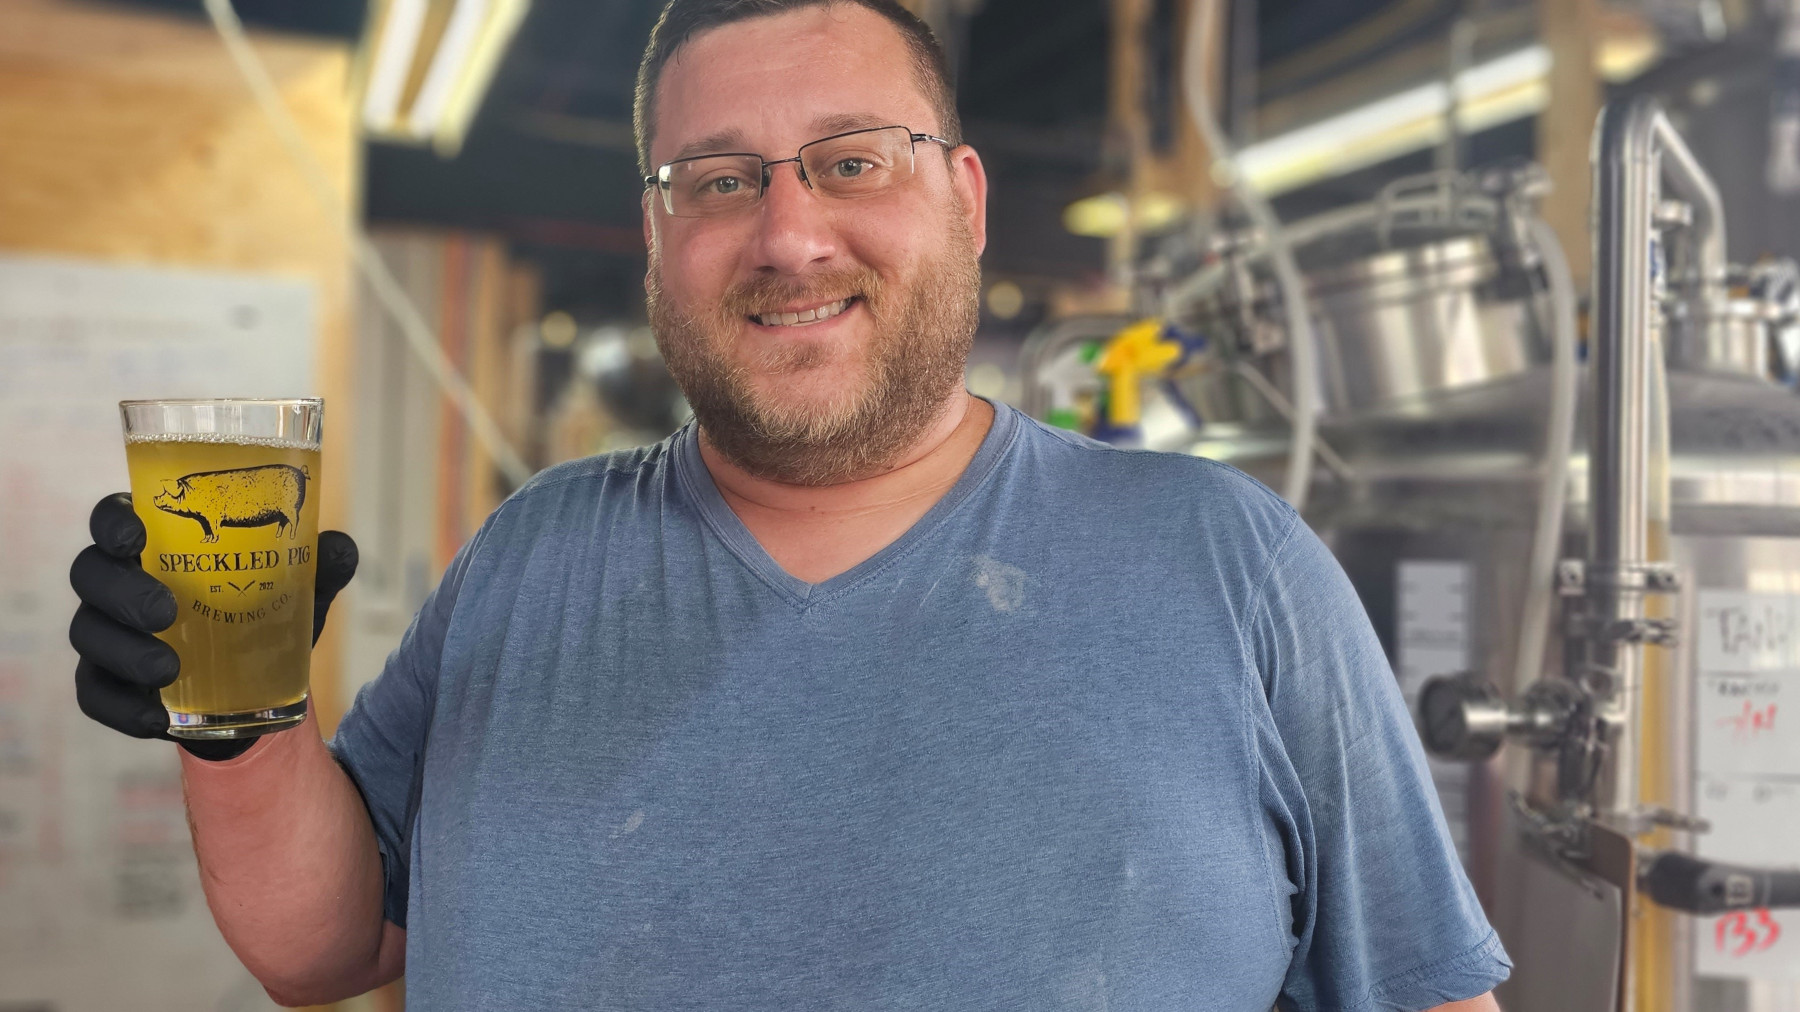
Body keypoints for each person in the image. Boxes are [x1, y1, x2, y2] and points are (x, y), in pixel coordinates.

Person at [67, 0, 1511, 1007]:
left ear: (966, 199)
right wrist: (234, 726)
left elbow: (1426, 995)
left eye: (850, 161)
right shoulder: (536, 553)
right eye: (718, 181)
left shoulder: (1232, 565)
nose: (789, 233)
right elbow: (322, 950)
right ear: (656, 239)